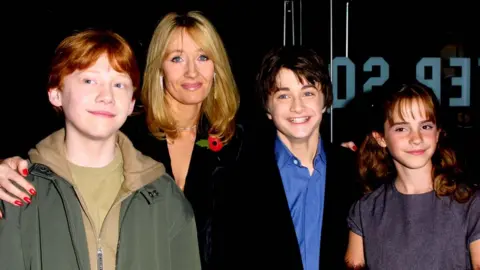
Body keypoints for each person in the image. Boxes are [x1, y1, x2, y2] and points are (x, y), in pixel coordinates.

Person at [0, 11, 241, 270]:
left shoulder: (239, 143)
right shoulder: (122, 129)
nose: (192, 71)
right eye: (177, 58)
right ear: (158, 67)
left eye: (203, 57)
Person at [229, 46, 361, 270]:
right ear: (267, 107)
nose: (297, 106)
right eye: (283, 95)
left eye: (308, 92)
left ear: (325, 100)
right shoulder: (240, 179)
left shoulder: (354, 170)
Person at [344, 82, 480, 269]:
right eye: (401, 128)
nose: (416, 138)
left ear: (438, 133)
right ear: (381, 138)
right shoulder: (366, 209)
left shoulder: (470, 203)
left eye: (425, 126)